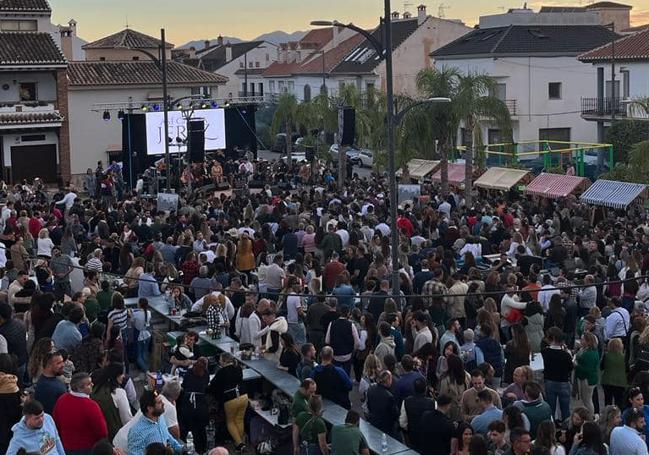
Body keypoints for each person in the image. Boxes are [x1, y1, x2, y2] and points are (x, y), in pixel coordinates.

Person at [53, 372, 108, 454]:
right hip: (87, 448)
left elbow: (56, 421)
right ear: (80, 388)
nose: (92, 384)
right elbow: (102, 432)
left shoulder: (62, 399)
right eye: (89, 384)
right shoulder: (91, 406)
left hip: (66, 446)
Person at [208, 352, 248, 452]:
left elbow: (213, 386)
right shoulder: (238, 368)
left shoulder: (221, 372)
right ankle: (239, 441)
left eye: (220, 360)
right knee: (239, 420)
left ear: (224, 361)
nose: (219, 362)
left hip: (230, 399)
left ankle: (240, 444)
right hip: (243, 396)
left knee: (230, 421)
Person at [127, 390, 182, 454]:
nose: (163, 403)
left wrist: (181, 449)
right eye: (159, 402)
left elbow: (167, 436)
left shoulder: (160, 417)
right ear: (149, 408)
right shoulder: (137, 433)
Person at [91, 362, 132, 440]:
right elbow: (126, 419)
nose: (123, 376)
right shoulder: (119, 393)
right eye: (121, 374)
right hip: (115, 435)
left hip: (98, 436)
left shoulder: (94, 390)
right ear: (115, 376)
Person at [541, 327, 573, 423]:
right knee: (565, 408)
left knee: (550, 407)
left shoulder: (545, 352)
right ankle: (566, 427)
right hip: (563, 381)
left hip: (550, 380)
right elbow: (570, 368)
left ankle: (551, 425)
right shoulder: (566, 354)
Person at [324, 305, 360, 376]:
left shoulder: (332, 324)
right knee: (346, 376)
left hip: (335, 355)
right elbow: (357, 342)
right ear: (348, 313)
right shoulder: (351, 325)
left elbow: (327, 340)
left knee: (335, 376)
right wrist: (352, 350)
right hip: (347, 355)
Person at [399, 377, 435, 443]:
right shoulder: (433, 403)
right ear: (426, 389)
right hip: (429, 438)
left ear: (414, 389)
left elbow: (402, 423)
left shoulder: (406, 401)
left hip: (412, 436)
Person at [366, 370, 400, 440]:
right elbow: (395, 413)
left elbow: (368, 405)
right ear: (388, 380)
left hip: (374, 422)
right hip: (387, 426)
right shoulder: (389, 396)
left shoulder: (371, 389)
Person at [34, 350, 67, 415]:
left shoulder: (45, 380)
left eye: (62, 362)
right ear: (49, 365)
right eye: (59, 363)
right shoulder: (49, 387)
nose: (63, 365)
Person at [575, 332, 599, 416]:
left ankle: (590, 416)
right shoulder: (587, 350)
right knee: (586, 400)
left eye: (582, 340)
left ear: (588, 341)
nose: (581, 341)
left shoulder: (589, 354)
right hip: (587, 378)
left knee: (587, 400)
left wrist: (576, 365)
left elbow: (587, 369)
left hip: (587, 379)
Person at [601, 338, 627, 407]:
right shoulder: (624, 357)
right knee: (619, 402)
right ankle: (618, 416)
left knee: (607, 401)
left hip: (607, 381)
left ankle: (607, 415)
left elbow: (601, 367)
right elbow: (627, 369)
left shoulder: (606, 355)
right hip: (620, 382)